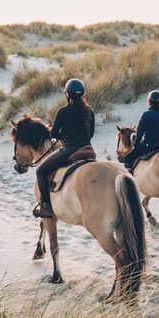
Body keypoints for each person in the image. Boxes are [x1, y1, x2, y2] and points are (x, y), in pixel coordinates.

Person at [33, 78, 94, 219]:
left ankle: (46, 207)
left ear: (67, 94)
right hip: (88, 149)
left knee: (41, 171)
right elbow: (91, 134)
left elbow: (54, 134)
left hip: (69, 150)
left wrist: (63, 135)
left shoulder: (63, 111)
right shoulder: (89, 111)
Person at [120, 90, 159, 171]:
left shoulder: (146, 115)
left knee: (127, 159)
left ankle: (130, 180)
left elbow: (139, 134)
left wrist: (136, 144)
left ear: (150, 102)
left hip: (148, 146)